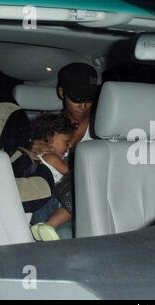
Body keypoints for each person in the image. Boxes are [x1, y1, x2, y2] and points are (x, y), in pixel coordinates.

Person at [27, 63, 99, 240]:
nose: (83, 107)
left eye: (89, 100)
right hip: (50, 203)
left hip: (87, 206)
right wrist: (30, 152)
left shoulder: (104, 130)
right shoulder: (46, 130)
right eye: (77, 99)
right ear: (61, 93)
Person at [19, 113, 75, 241]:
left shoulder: (40, 157)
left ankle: (40, 228)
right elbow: (72, 174)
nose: (69, 146)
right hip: (49, 204)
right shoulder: (51, 157)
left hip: (38, 211)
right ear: (49, 139)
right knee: (73, 201)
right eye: (66, 142)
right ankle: (49, 225)